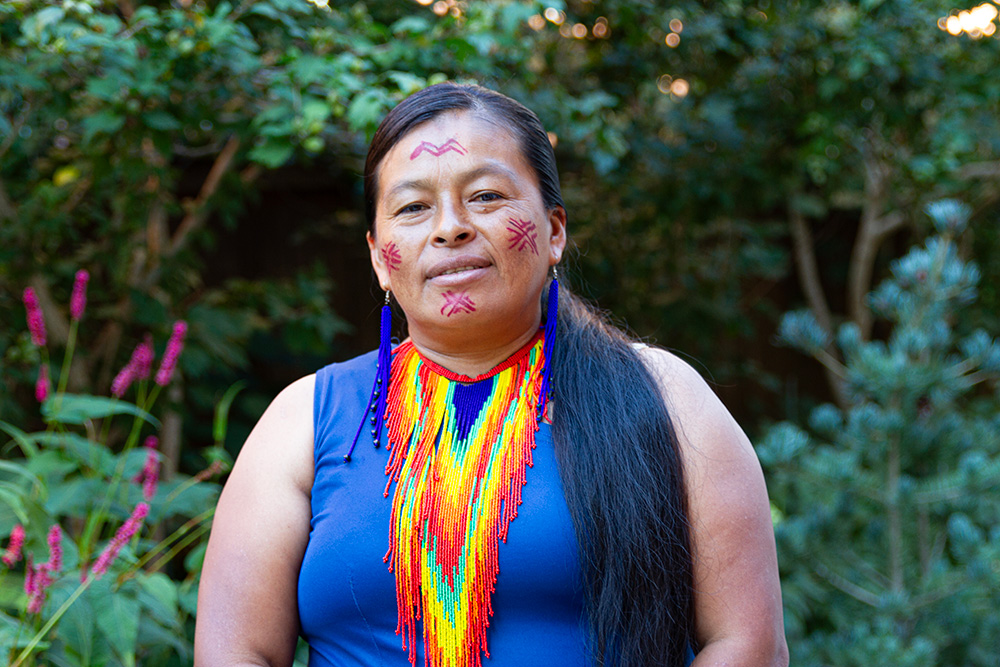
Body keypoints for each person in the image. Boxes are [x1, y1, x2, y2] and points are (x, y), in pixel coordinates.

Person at [194, 83, 788, 667]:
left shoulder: (665, 397)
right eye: (413, 207)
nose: (449, 227)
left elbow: (748, 644)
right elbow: (234, 652)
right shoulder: (306, 420)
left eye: (484, 196)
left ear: (554, 230)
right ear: (379, 256)